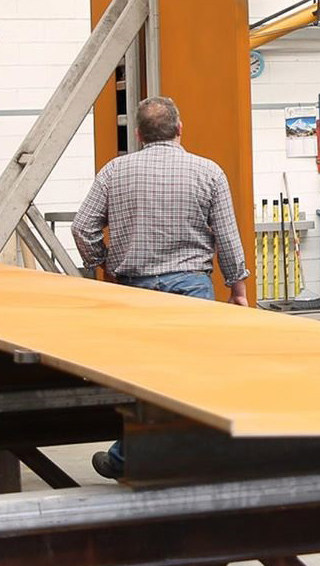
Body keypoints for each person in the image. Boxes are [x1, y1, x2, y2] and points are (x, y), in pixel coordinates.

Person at [71, 96, 250, 479]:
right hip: (192, 293)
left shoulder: (114, 172)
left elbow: (82, 227)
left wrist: (102, 264)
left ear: (137, 133)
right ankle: (192, 461)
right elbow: (228, 238)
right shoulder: (209, 172)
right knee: (196, 379)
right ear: (180, 128)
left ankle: (128, 458)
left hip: (134, 293)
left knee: (145, 379)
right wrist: (238, 289)